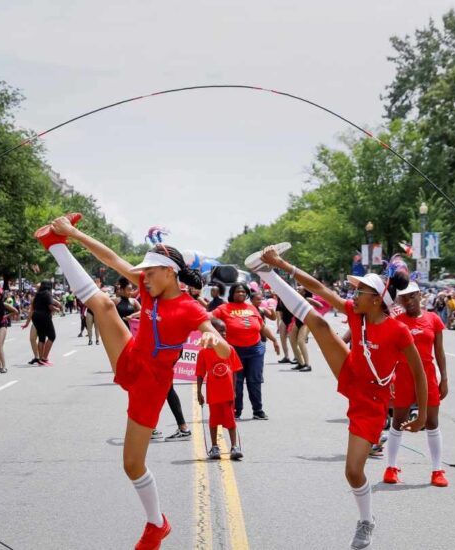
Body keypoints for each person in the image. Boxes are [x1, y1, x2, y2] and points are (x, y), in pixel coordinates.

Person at [37, 213, 229, 549]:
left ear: (170, 272)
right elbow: (111, 257)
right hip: (131, 356)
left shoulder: (190, 308)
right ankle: (55, 245)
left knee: (132, 464)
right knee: (103, 305)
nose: (144, 277)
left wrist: (216, 342)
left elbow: (220, 343)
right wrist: (73, 234)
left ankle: (157, 523)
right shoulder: (149, 287)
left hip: (151, 383)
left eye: (150, 272)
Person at [246, 245, 426, 550]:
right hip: (351, 372)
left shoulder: (398, 331)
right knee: (318, 323)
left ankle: (366, 520)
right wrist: (280, 265)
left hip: (372, 402)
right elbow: (318, 289)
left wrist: (420, 414)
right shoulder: (358, 316)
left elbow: (419, 373)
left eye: (360, 292)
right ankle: (267, 273)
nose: (353, 296)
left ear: (377, 299)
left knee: (353, 471)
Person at [384, 281, 450, 487]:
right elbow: (390, 353)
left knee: (432, 422)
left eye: (412, 296)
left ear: (420, 295)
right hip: (403, 374)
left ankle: (437, 470)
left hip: (428, 374)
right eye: (404, 297)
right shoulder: (396, 321)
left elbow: (439, 351)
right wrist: (390, 378)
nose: (409, 300)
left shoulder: (433, 319)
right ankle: (391, 467)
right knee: (398, 421)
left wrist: (444, 378)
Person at [213, 282, 280, 420]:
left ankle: (258, 410)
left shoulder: (252, 308)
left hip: (255, 349)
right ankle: (237, 410)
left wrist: (274, 340)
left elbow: (261, 326)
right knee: (236, 382)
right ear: (232, 293)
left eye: (243, 292)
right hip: (234, 351)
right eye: (238, 291)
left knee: (254, 380)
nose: (241, 294)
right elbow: (209, 319)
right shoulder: (223, 308)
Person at [196, 318, 244, 460]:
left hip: (227, 393)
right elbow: (200, 373)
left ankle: (234, 446)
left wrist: (234, 390)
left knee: (230, 420)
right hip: (213, 393)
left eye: (224, 331)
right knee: (213, 420)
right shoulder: (203, 352)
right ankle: (214, 446)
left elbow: (235, 371)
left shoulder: (230, 349)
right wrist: (199, 392)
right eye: (219, 331)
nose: (223, 334)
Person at [24, 281, 60, 365]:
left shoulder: (37, 295)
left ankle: (40, 359)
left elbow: (32, 309)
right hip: (44, 316)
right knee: (52, 336)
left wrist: (27, 323)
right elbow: (50, 306)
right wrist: (57, 309)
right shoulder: (47, 294)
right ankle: (44, 358)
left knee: (41, 337)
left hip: (35, 317)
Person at [0, 289, 18, 374]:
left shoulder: (4, 304)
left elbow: (15, 311)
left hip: (2, 325)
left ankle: (4, 366)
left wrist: (6, 316)